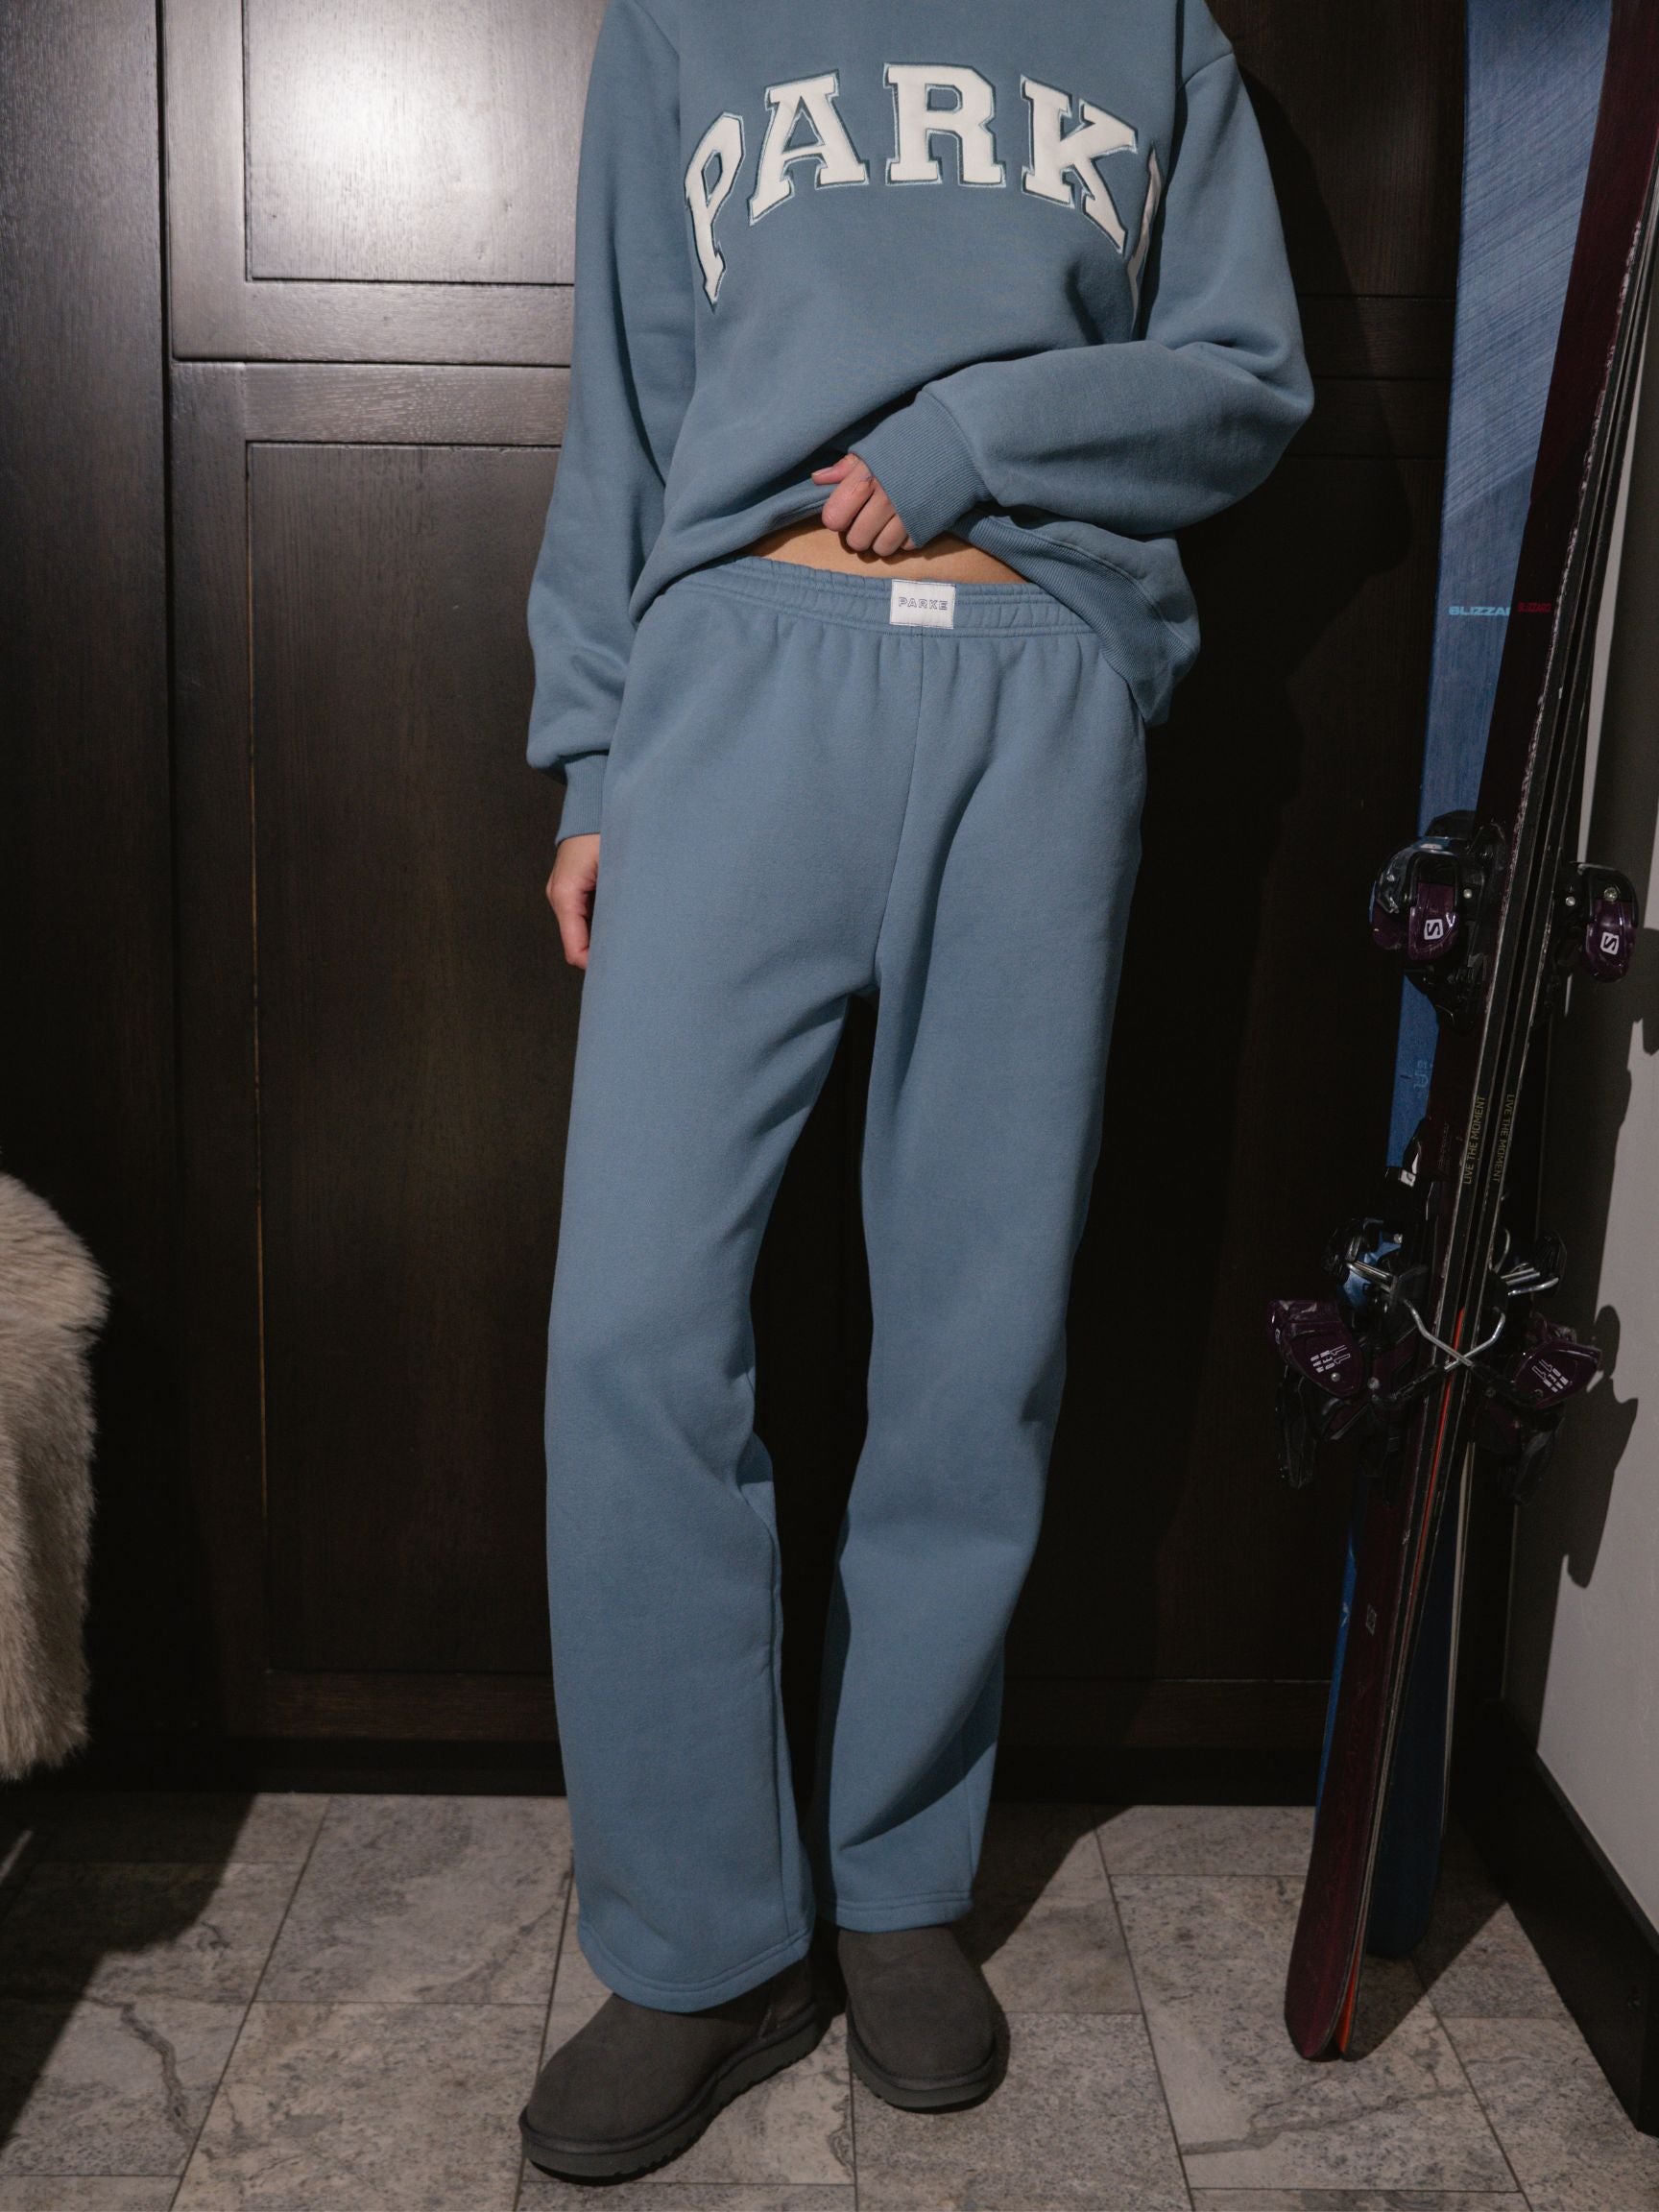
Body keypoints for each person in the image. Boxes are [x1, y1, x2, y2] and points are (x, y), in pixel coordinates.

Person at [517, 0, 1311, 2181]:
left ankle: (892, 1885)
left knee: (977, 1339)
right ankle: (699, 1940)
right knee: (633, 1329)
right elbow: (626, 399)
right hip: (736, 682)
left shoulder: (1153, 31)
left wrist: (977, 430)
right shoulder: (684, 26)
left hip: (1041, 688)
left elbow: (1247, 378)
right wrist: (591, 758)